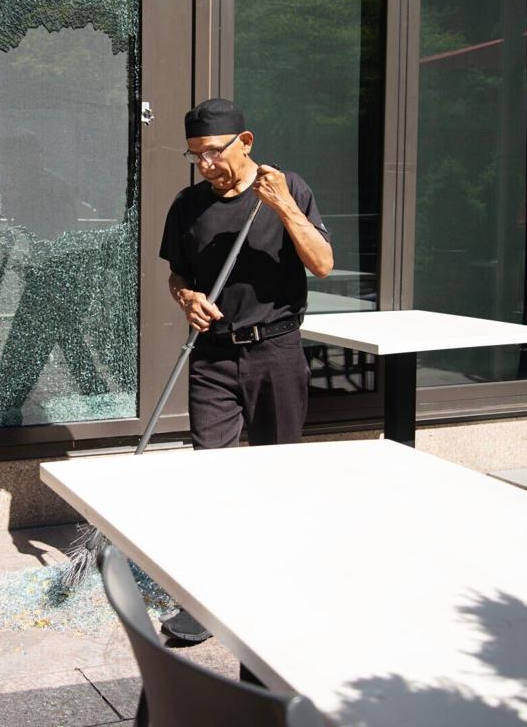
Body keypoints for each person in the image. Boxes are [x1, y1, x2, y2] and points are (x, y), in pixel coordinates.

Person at [156, 97, 333, 644]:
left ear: (245, 142)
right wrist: (186, 300)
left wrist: (284, 207)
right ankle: (208, 599)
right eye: (195, 156)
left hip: (276, 351)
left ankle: (281, 582)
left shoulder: (287, 188)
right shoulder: (188, 206)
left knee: (277, 472)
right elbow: (177, 277)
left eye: (212, 153)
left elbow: (322, 263)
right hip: (212, 355)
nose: (205, 165)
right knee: (211, 474)